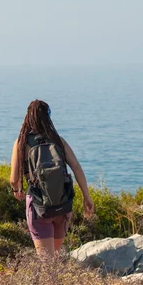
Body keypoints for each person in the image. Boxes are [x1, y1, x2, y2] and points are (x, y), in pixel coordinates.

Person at [10, 99, 94, 256]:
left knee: (46, 262)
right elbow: (76, 167)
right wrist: (86, 197)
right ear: (48, 117)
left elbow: (14, 178)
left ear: (27, 117)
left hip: (38, 205)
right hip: (62, 203)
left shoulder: (21, 143)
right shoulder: (58, 141)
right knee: (53, 254)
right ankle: (57, 280)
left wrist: (17, 190)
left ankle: (51, 281)